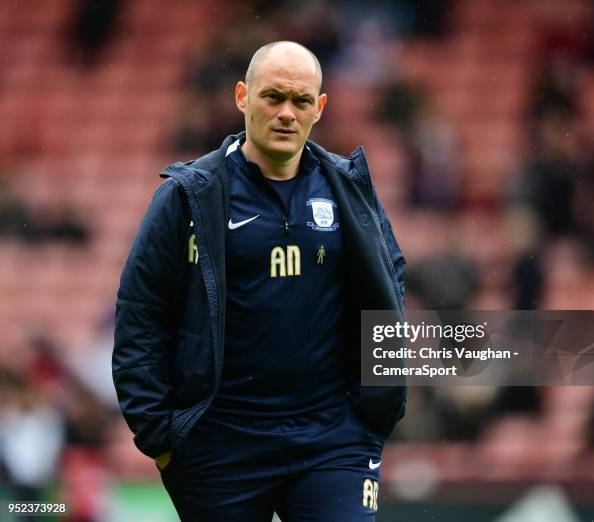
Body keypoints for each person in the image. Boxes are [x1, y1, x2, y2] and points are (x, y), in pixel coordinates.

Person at [112, 41, 406, 521]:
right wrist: (159, 437)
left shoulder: (349, 189)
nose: (287, 113)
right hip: (221, 446)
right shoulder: (188, 197)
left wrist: (378, 410)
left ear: (320, 108)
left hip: (332, 441)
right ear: (242, 97)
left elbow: (388, 289)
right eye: (273, 97)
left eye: (301, 101)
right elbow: (140, 314)